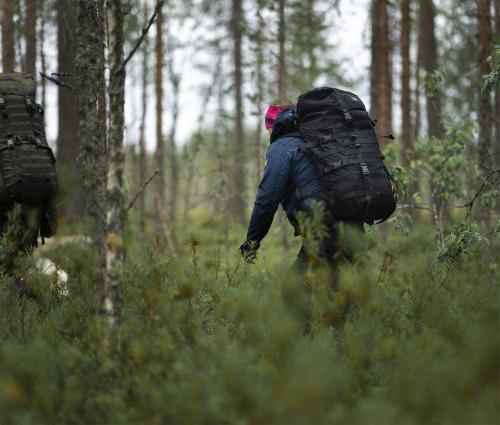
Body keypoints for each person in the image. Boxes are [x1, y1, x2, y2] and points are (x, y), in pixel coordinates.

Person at [239, 100, 365, 280]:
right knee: (337, 296)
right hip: (355, 227)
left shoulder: (282, 147)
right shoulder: (319, 140)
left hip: (325, 232)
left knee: (294, 292)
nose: (268, 134)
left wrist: (251, 243)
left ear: (273, 126)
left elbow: (266, 199)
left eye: (268, 128)